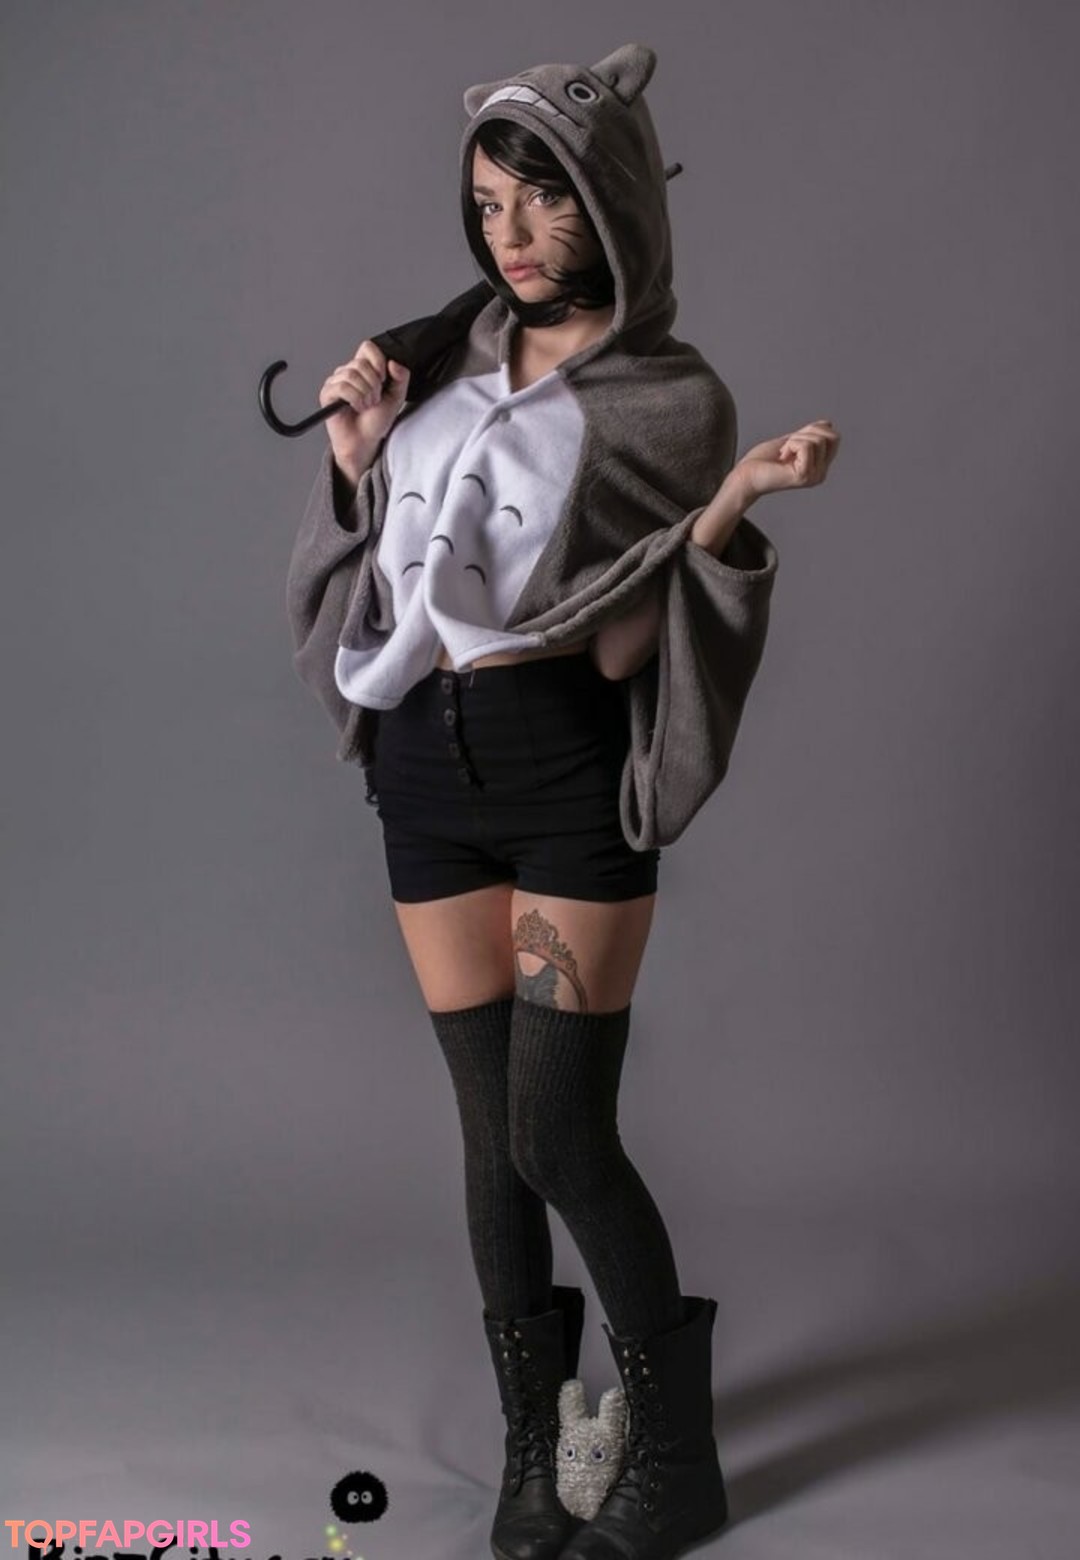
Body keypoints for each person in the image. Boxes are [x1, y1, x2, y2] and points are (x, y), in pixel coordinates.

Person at [288, 43, 839, 1560]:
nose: (513, 235)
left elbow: (615, 641)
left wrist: (731, 507)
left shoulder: (670, 399)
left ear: (615, 204)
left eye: (545, 202)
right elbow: (393, 581)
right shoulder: (435, 370)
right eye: (489, 205)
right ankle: (537, 1450)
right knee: (490, 1140)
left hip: (561, 769)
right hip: (423, 768)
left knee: (558, 1133)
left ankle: (677, 1457)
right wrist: (357, 460)